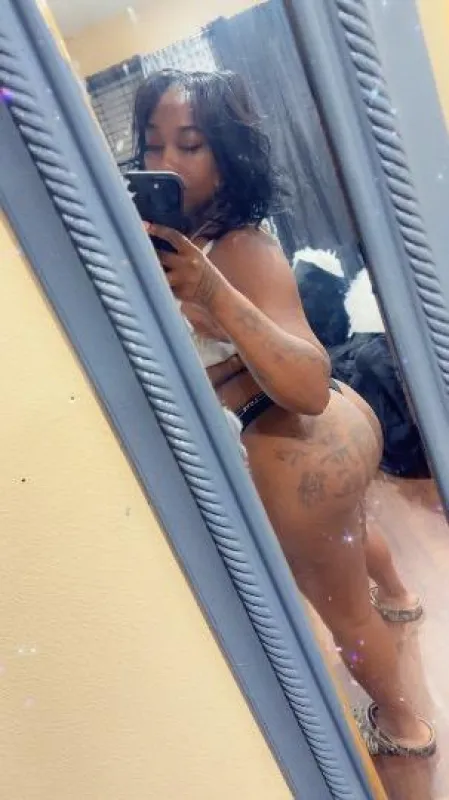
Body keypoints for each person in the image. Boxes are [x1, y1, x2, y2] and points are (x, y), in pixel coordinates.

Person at [133, 68, 435, 756]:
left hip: (293, 439)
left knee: (343, 613)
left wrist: (212, 293)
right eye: (152, 144)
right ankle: (398, 595)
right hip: (326, 443)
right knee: (351, 542)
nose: (167, 161)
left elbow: (306, 382)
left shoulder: (241, 246)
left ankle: (405, 729)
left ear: (227, 154)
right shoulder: (194, 240)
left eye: (190, 144)